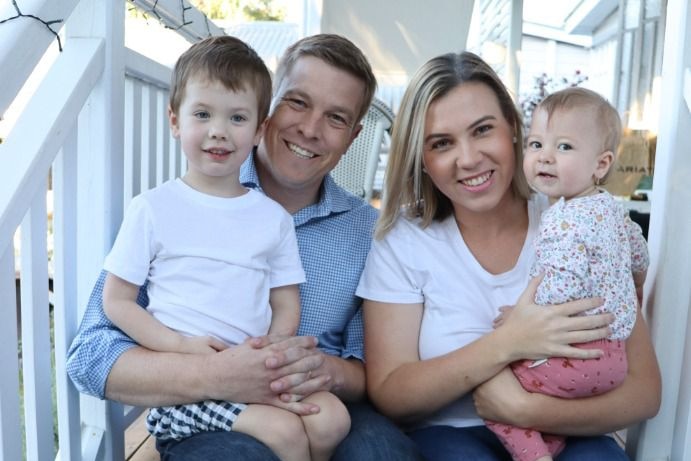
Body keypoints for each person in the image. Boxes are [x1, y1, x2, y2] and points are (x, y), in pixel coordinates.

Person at [67, 34, 424, 461]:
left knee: (382, 453)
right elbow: (90, 356)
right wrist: (214, 373)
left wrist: (316, 369)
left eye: (335, 118)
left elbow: (373, 371)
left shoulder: (368, 232)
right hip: (204, 400)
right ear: (269, 110)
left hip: (312, 398)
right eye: (297, 102)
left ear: (353, 136)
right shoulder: (177, 206)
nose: (309, 129)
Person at [356, 51, 660, 461]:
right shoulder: (404, 241)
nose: (468, 158)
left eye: (482, 130)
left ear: (514, 129)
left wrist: (525, 410)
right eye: (442, 143)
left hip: (568, 431)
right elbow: (392, 392)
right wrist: (509, 342)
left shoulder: (577, 218)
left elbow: (644, 393)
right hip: (451, 436)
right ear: (422, 160)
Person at [101, 36, 350, 461]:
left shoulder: (272, 218)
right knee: (285, 433)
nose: (218, 130)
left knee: (332, 420)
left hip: (256, 371)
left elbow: (286, 299)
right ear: (175, 120)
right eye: (203, 114)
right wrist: (179, 347)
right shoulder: (153, 209)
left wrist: (273, 348)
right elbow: (116, 302)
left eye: (236, 118)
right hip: (185, 391)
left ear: (258, 131)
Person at [482, 87, 650, 461]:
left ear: (601, 164)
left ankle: (535, 457)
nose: (545, 157)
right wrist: (635, 281)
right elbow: (639, 253)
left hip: (570, 360)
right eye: (536, 143)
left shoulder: (561, 218)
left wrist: (523, 321)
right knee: (544, 413)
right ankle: (551, 446)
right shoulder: (613, 211)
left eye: (564, 148)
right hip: (613, 362)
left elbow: (563, 282)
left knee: (495, 391)